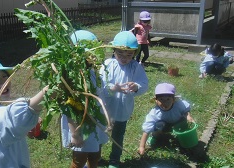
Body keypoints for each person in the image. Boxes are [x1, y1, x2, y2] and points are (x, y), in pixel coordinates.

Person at [99, 31, 149, 168]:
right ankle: (95, 154)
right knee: (100, 131)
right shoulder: (108, 64)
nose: (124, 58)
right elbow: (100, 84)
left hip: (122, 109)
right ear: (114, 51)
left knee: (118, 135)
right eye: (120, 53)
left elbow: (144, 83)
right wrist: (113, 88)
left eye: (129, 54)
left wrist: (136, 86)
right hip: (105, 107)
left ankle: (114, 159)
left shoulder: (135, 67)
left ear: (134, 53)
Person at [61, 30, 108, 168]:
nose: (91, 58)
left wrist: (106, 117)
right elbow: (69, 107)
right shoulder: (72, 78)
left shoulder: (93, 72)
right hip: (80, 126)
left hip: (96, 121)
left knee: (95, 155)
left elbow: (102, 96)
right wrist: (75, 134)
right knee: (79, 160)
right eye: (87, 55)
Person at [138, 83, 195, 156]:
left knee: (183, 122)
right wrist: (141, 146)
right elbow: (146, 130)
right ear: (156, 100)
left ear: (173, 100)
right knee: (157, 125)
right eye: (161, 99)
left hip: (177, 122)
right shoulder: (154, 113)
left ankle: (182, 136)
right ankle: (156, 137)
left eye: (168, 99)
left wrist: (188, 116)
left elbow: (185, 110)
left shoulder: (179, 105)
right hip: (164, 126)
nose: (165, 102)